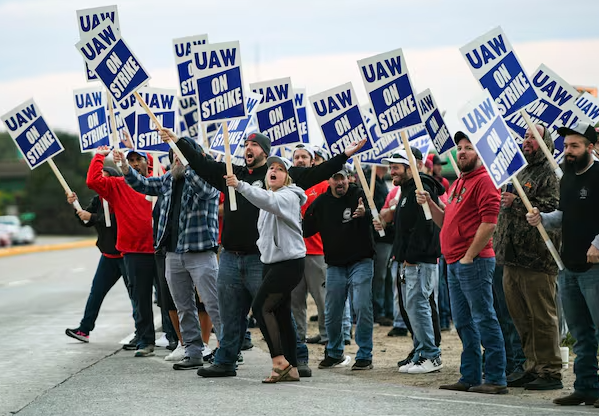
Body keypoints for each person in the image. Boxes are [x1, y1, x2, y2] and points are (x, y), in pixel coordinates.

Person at [163, 129, 366, 378]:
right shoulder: (231, 172)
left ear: (265, 152)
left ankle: (297, 358)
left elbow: (319, 172)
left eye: (254, 144)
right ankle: (226, 360)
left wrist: (344, 154)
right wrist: (177, 141)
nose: (248, 148)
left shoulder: (279, 176)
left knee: (275, 309)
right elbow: (200, 163)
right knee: (230, 312)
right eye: (246, 144)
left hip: (260, 259)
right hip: (230, 257)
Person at [114, 143, 221, 371]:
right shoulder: (169, 179)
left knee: (213, 303)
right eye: (173, 156)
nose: (176, 160)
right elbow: (144, 185)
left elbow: (205, 191)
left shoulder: (207, 177)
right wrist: (124, 167)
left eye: (180, 155)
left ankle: (228, 351)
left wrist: (189, 165)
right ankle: (193, 351)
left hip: (200, 252)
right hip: (172, 252)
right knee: (184, 306)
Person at [416, 131, 506, 394]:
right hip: (455, 261)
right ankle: (470, 376)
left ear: (481, 153)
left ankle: (496, 378)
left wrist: (468, 256)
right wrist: (430, 203)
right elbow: (445, 221)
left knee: (484, 318)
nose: (463, 151)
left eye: (469, 147)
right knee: (464, 322)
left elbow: (489, 223)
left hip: (473, 262)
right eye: (460, 147)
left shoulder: (485, 181)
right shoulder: (458, 183)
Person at [526, 121, 599, 406]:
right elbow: (563, 216)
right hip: (569, 267)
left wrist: (597, 243)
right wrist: (542, 219)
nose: (568, 151)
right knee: (581, 333)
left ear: (590, 148)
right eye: (566, 146)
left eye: (575, 146)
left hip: (594, 269)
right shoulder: (567, 177)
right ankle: (586, 387)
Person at [225, 155, 306, 382]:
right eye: (271, 168)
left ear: (287, 177)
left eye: (280, 169)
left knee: (261, 308)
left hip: (289, 263)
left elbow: (267, 200)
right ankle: (292, 367)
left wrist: (240, 185)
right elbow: (264, 212)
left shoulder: (289, 195)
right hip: (271, 264)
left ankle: (279, 361)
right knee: (281, 313)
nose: (274, 171)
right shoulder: (271, 196)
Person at [493, 124, 561, 390]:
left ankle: (550, 370)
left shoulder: (551, 172)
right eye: (525, 136)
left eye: (534, 136)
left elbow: (553, 209)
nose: (527, 140)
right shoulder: (518, 170)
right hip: (512, 258)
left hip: (537, 258)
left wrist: (518, 203)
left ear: (546, 142)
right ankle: (531, 366)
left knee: (542, 317)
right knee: (521, 317)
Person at [376, 150, 444, 374]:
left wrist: (412, 258)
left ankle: (431, 355)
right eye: (391, 167)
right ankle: (421, 352)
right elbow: (405, 228)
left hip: (420, 261)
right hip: (408, 261)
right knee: (412, 309)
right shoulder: (405, 190)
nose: (392, 171)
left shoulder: (422, 187)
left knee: (420, 307)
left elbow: (426, 227)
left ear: (410, 168)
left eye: (396, 167)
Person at [87, 146, 157, 357]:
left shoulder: (157, 182)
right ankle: (145, 340)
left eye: (138, 159)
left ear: (148, 163)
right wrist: (100, 156)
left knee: (168, 299)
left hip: (160, 249)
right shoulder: (118, 184)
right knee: (140, 298)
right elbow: (93, 181)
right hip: (133, 251)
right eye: (131, 160)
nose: (135, 164)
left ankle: (175, 339)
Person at [304, 167, 375, 370]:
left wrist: (366, 213)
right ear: (329, 181)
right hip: (335, 264)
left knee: (361, 306)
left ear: (349, 178)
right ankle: (334, 352)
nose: (340, 182)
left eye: (342, 178)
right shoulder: (321, 202)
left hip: (361, 261)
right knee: (332, 310)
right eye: (335, 179)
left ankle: (365, 355)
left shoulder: (360, 194)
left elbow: (378, 219)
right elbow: (306, 229)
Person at [64, 167, 135, 343]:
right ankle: (84, 330)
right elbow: (86, 221)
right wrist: (76, 206)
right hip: (108, 257)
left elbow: (117, 221)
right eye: (100, 178)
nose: (101, 182)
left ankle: (141, 333)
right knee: (96, 293)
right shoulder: (98, 200)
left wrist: (93, 217)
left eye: (106, 178)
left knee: (135, 296)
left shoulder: (123, 197)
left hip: (127, 255)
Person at [290, 144, 328, 346]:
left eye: (304, 157)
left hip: (316, 250)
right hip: (293, 252)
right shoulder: (287, 184)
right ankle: (298, 336)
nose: (300, 160)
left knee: (322, 299)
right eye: (296, 157)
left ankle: (327, 335)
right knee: (295, 300)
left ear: (312, 161)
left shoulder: (322, 184)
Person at [368, 165, 395, 327]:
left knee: (386, 276)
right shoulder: (370, 181)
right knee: (379, 276)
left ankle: (388, 310)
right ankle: (378, 311)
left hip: (388, 237)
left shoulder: (382, 182)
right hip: (378, 238)